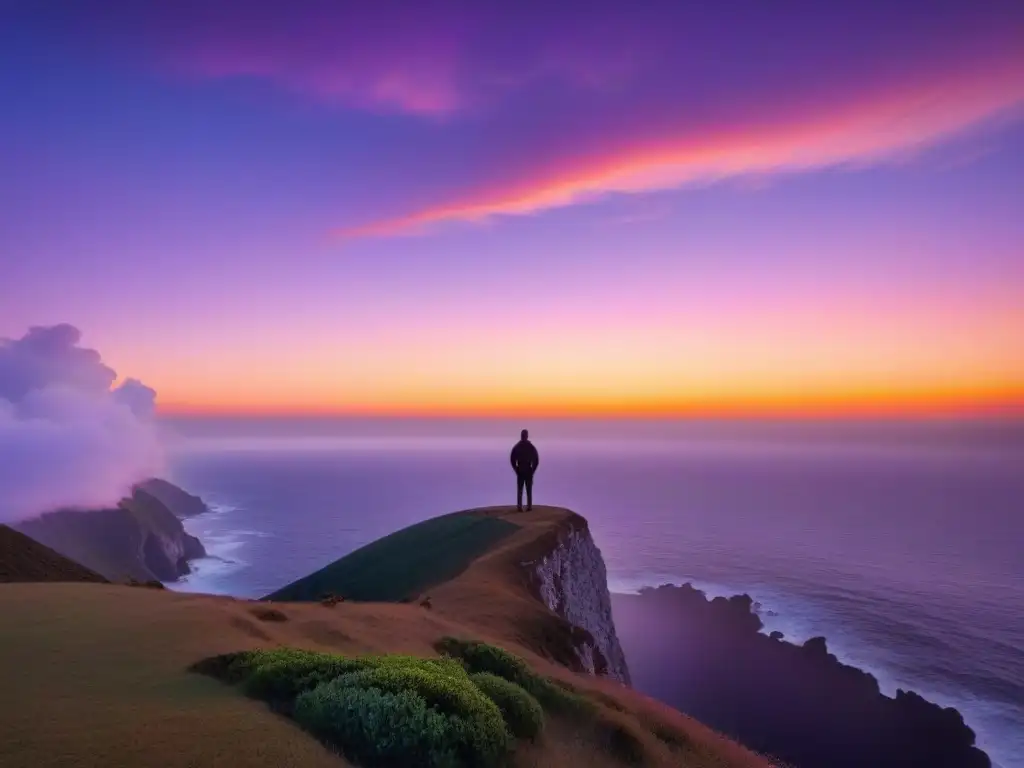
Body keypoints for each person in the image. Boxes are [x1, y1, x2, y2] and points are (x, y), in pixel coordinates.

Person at [510, 428, 539, 511]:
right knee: (522, 490)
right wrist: (516, 469)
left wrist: (532, 470)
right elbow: (512, 459)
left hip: (524, 470)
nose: (523, 437)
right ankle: (523, 506)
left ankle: (526, 506)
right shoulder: (525, 447)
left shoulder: (526, 447)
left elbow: (536, 460)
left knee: (525, 490)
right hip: (523, 470)